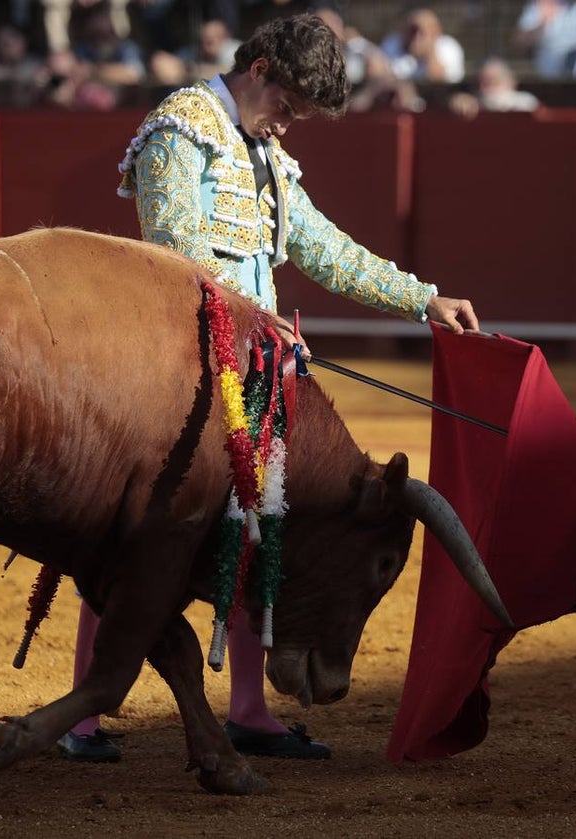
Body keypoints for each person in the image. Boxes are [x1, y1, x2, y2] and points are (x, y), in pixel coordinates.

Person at [60, 12, 479, 763]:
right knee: (134, 535)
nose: (290, 126)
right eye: (287, 107)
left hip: (260, 376)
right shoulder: (181, 128)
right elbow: (175, 253)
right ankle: (81, 718)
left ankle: (249, 709)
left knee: (263, 529)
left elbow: (322, 248)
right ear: (259, 70)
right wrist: (258, 322)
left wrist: (423, 299)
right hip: (175, 378)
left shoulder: (265, 150)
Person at [448, 57, 541, 118]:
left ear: (511, 83)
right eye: (481, 83)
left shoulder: (526, 102)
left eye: (492, 82)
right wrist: (458, 101)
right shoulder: (475, 103)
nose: (484, 89)